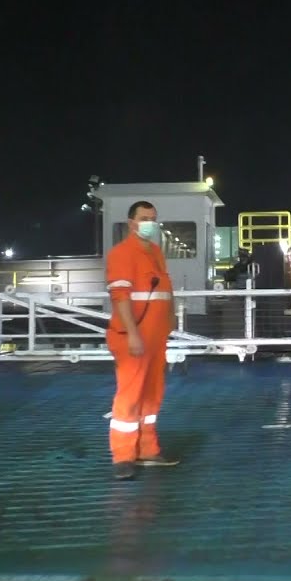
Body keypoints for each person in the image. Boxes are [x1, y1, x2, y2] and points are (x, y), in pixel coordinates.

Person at [104, 200, 180, 479]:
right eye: (145, 218)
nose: (150, 223)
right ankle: (123, 457)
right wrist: (134, 334)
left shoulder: (156, 253)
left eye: (153, 218)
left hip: (156, 337)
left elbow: (165, 289)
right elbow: (121, 297)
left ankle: (148, 450)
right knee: (130, 396)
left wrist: (171, 317)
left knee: (151, 395)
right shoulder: (122, 254)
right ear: (132, 223)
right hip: (132, 338)